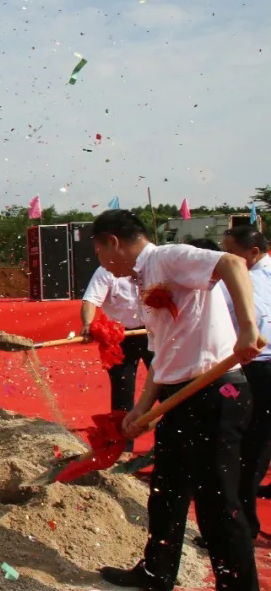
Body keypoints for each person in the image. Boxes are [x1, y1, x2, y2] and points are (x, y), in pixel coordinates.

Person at [92, 210, 261, 591]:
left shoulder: (167, 257)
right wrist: (142, 410)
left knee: (217, 504)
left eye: (99, 253)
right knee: (166, 493)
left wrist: (248, 328)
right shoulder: (144, 280)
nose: (101, 263)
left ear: (113, 243)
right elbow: (163, 355)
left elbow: (232, 263)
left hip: (214, 392)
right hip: (180, 395)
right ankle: (157, 572)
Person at [220, 225, 271, 538]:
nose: (225, 257)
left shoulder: (249, 281)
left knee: (248, 447)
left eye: (231, 252)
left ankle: (243, 524)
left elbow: (255, 320)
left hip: (259, 369)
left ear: (253, 252)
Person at [80, 265, 153, 426]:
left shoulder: (151, 263)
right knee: (122, 387)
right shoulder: (106, 269)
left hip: (153, 332)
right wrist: (88, 324)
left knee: (165, 382)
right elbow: (91, 300)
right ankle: (123, 437)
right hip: (120, 336)